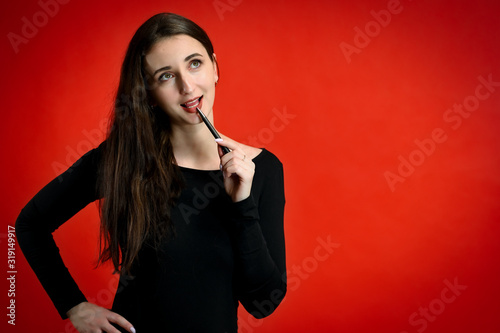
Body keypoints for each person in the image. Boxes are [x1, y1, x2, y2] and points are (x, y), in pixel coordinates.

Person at [15, 12, 287, 333]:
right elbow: (30, 223)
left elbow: (262, 302)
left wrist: (241, 203)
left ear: (215, 67)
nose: (187, 86)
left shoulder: (261, 168)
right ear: (149, 92)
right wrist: (73, 305)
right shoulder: (123, 158)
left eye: (195, 63)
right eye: (166, 76)